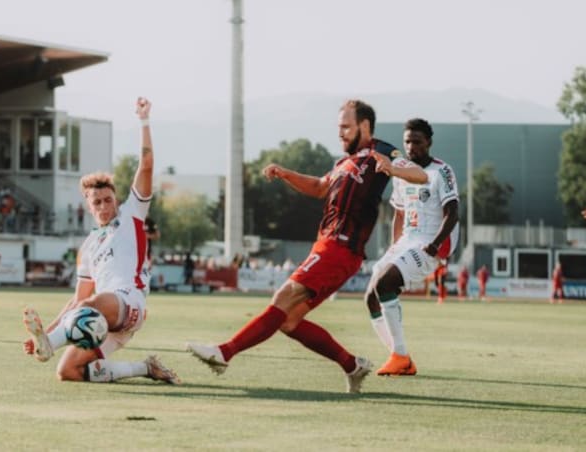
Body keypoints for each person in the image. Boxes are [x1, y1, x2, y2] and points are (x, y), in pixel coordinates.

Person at [186, 99, 428, 393]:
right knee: (289, 321)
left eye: (345, 127)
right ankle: (352, 365)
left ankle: (224, 353)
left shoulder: (382, 151)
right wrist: (286, 173)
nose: (340, 133)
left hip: (340, 248)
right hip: (327, 246)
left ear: (364, 126)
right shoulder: (343, 162)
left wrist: (392, 167)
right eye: (338, 127)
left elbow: (420, 175)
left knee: (283, 297)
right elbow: (320, 187)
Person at [22, 98, 179, 385]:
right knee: (68, 372)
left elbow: (146, 165)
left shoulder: (132, 214)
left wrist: (144, 120)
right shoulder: (88, 247)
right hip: (101, 320)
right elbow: (78, 301)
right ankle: (146, 368)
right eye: (98, 202)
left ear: (116, 198)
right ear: (88, 205)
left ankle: (51, 345)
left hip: (128, 305)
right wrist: (48, 332)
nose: (105, 206)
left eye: (109, 199)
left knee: (94, 303)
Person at [363, 118, 460, 376]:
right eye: (407, 141)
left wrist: (435, 244)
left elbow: (453, 213)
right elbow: (400, 214)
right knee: (370, 297)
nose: (411, 147)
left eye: (417, 142)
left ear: (428, 142)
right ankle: (400, 355)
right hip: (407, 241)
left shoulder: (442, 171)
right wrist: (393, 250)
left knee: (386, 285)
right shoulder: (400, 173)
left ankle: (400, 356)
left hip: (430, 243)